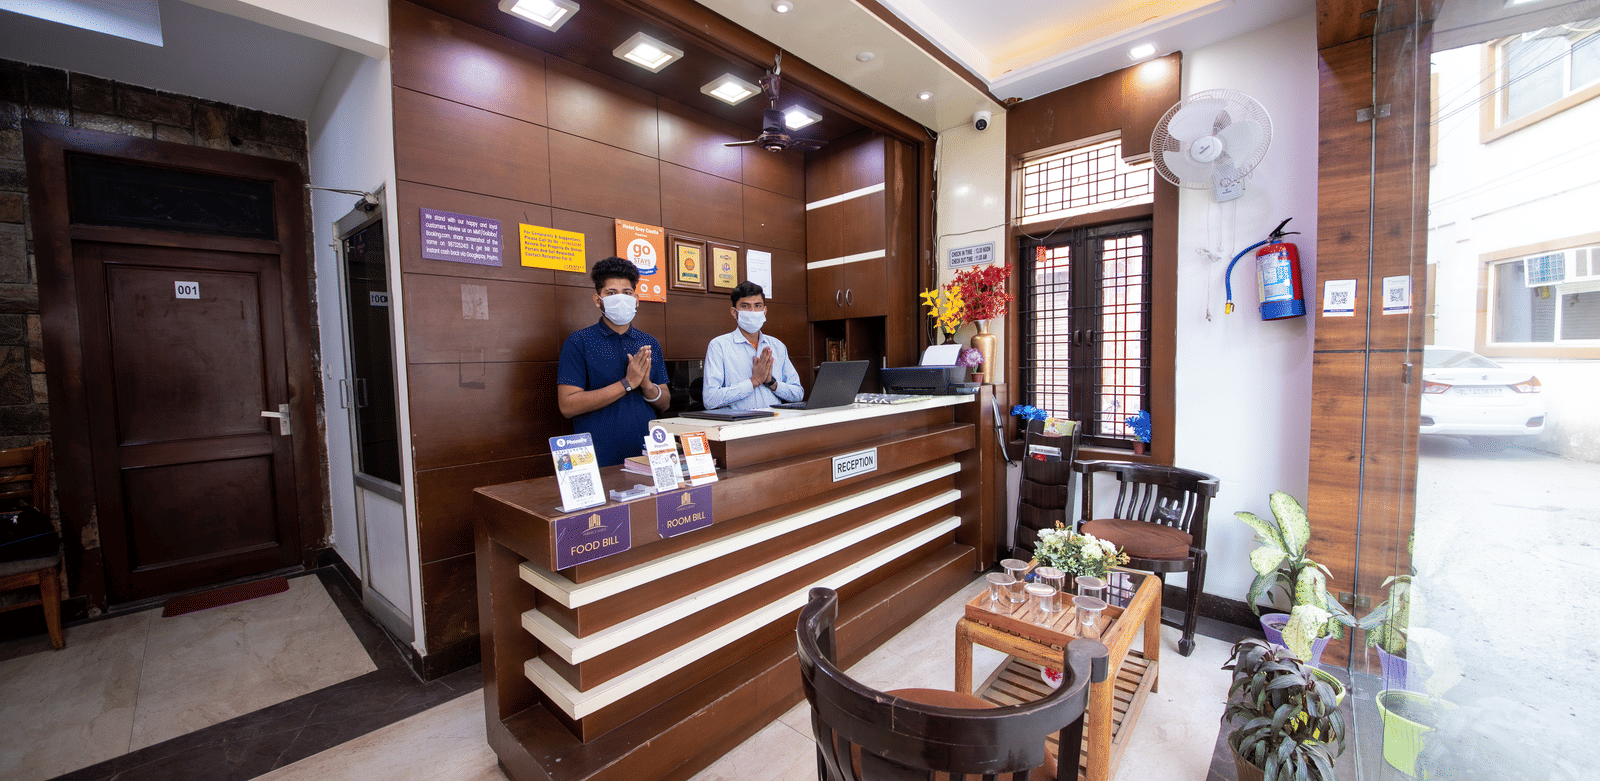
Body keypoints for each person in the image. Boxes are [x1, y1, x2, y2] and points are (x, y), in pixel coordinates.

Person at [556, 257, 670, 467]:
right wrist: (627, 383)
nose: (620, 298)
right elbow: (567, 405)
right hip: (596, 458)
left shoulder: (648, 342)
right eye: (611, 293)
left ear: (636, 299)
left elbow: (664, 402)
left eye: (626, 293)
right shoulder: (579, 341)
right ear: (598, 300)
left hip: (645, 454)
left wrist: (645, 385)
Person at [702, 281, 803, 410]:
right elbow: (710, 399)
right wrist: (753, 381)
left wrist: (771, 383)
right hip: (739, 426)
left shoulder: (777, 346)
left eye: (758, 305)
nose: (752, 311)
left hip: (775, 423)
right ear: (734, 312)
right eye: (745, 306)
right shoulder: (719, 346)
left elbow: (798, 394)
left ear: (764, 311)